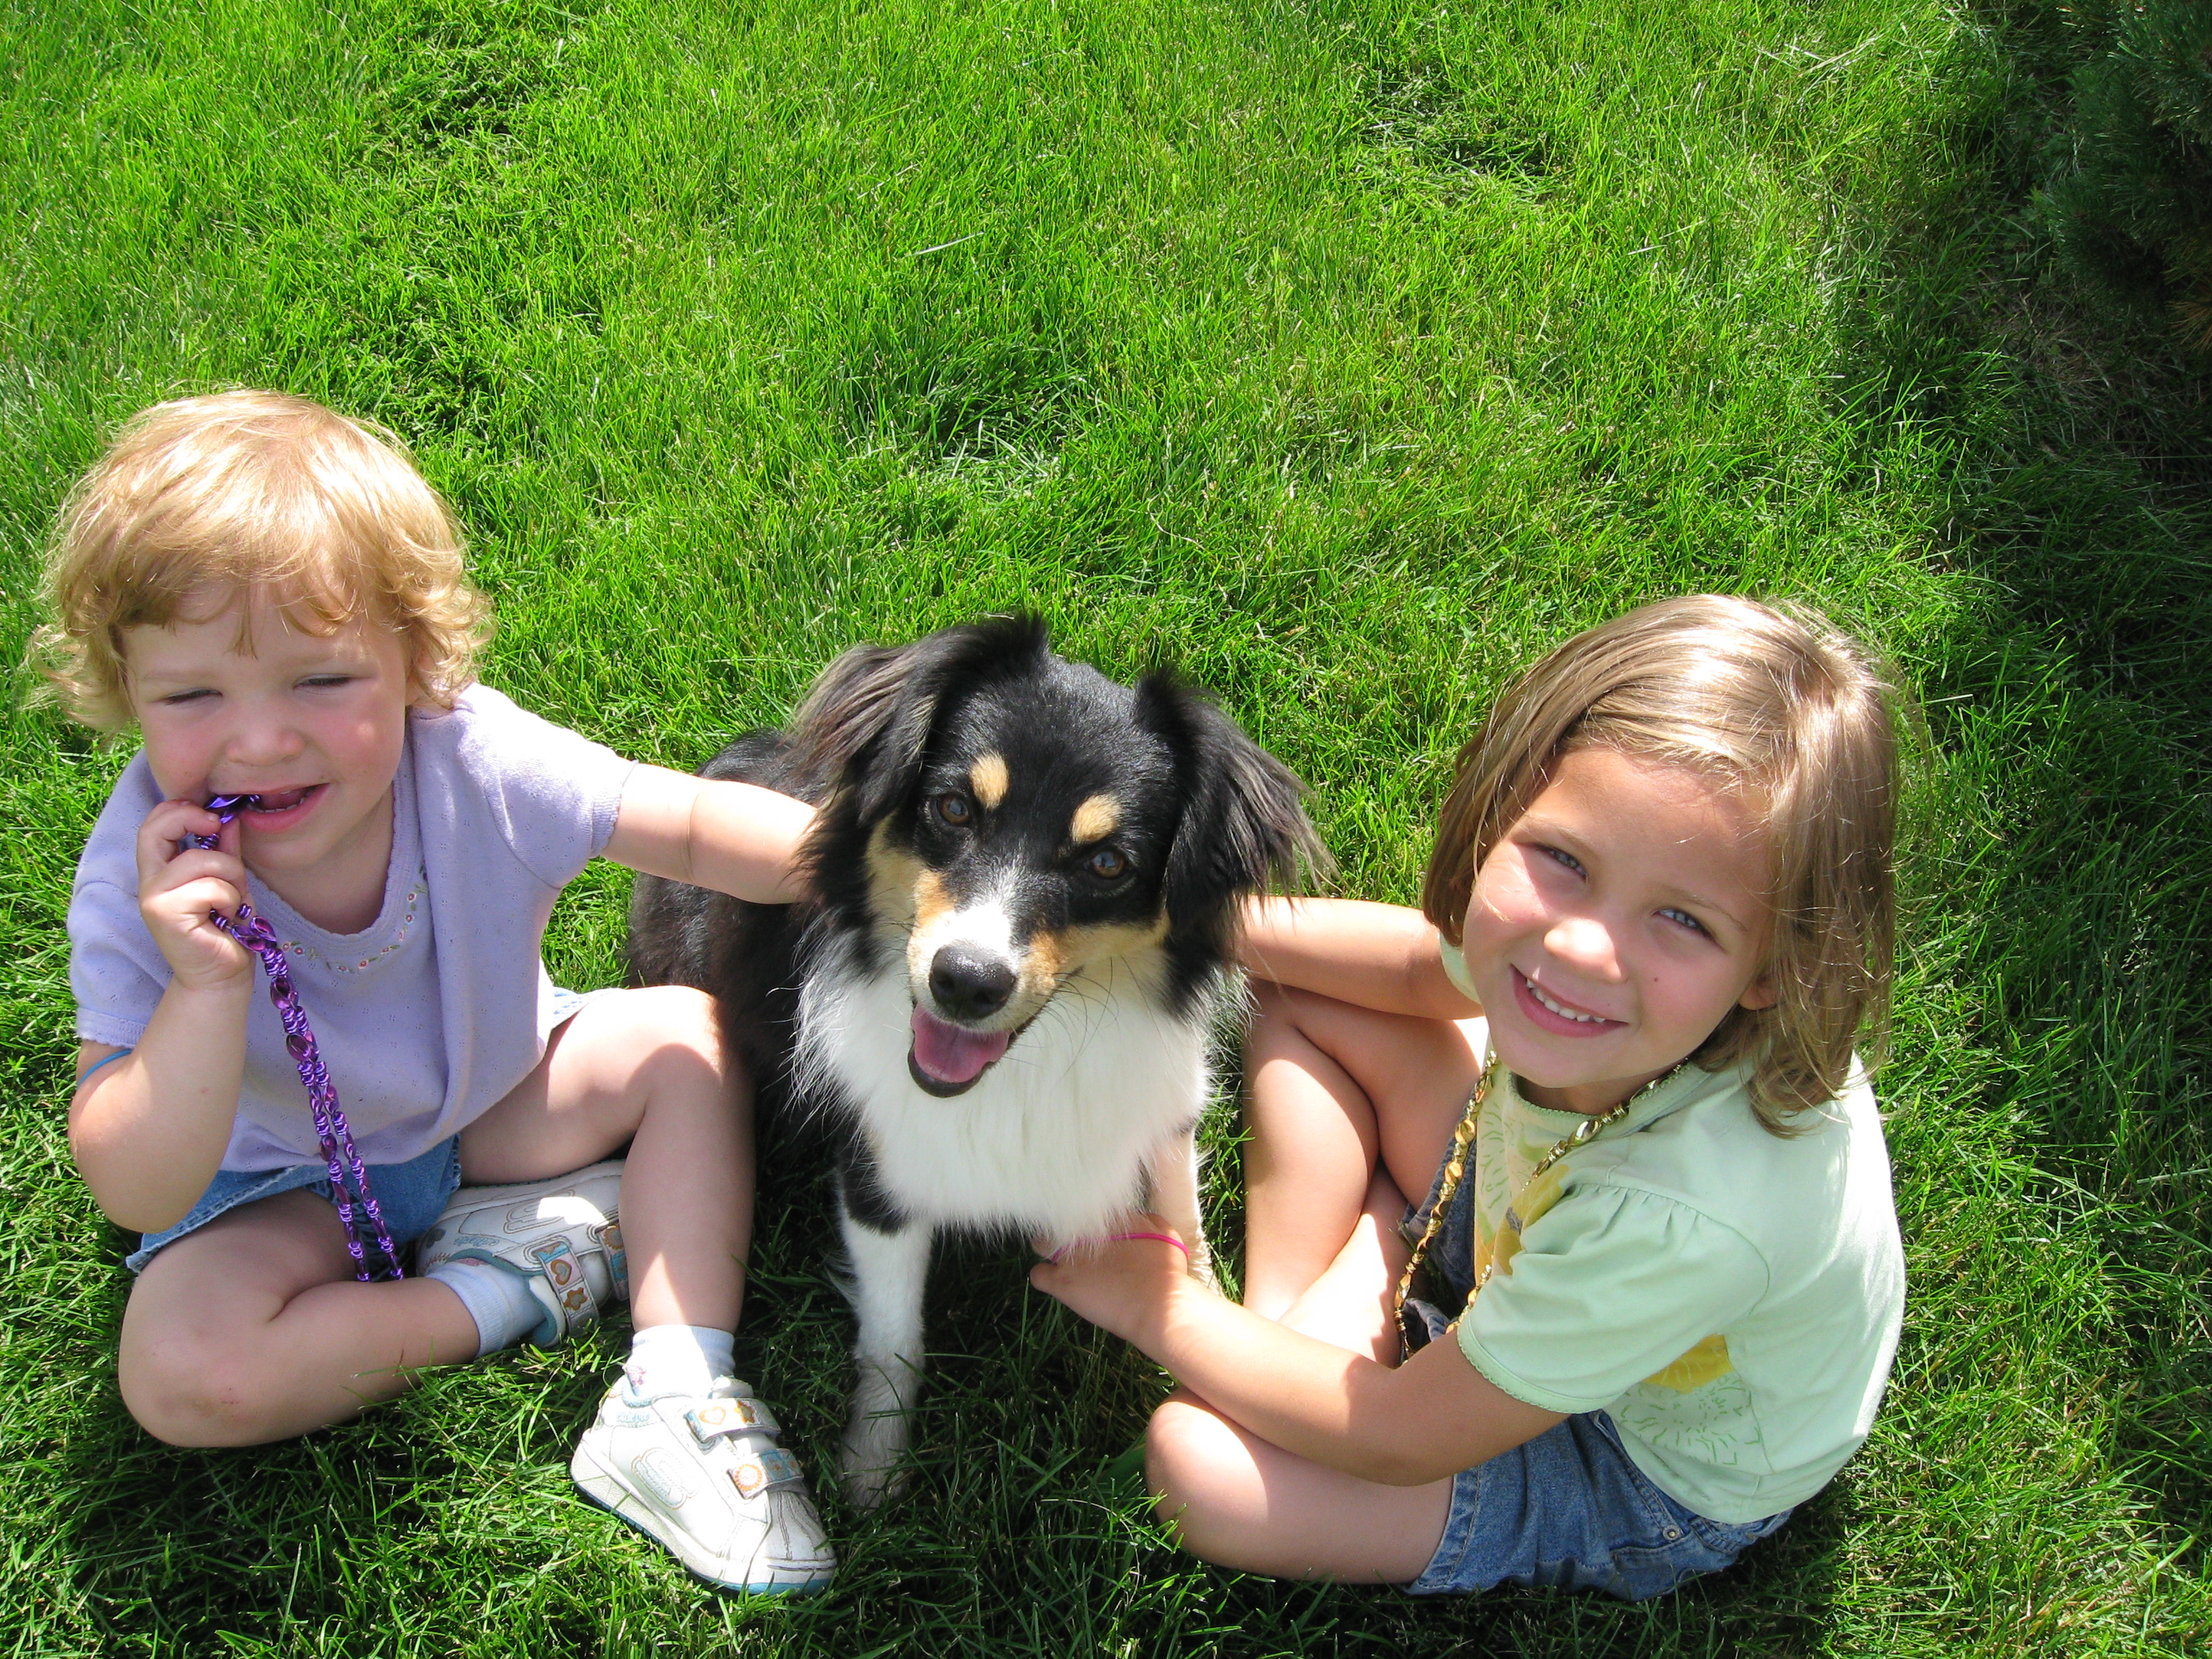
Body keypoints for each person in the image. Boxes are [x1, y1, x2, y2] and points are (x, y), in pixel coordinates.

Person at [40, 390, 832, 1596]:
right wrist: (200, 990)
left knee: (689, 1040)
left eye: (320, 681)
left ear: (416, 662)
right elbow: (131, 1183)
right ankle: (510, 1288)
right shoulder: (136, 883)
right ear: (125, 686)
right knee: (182, 1372)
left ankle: (677, 1379)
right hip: (280, 1184)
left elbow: (679, 823)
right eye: (192, 697)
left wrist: (878, 865)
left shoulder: (472, 758)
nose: (260, 742)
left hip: (492, 1095)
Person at [1032, 595, 1907, 1599]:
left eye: (1683, 921)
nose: (1580, 944)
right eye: (1563, 860)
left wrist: (1164, 1310)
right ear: (1505, 815)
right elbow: (1414, 968)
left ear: (1778, 968)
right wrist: (1181, 924)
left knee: (1200, 1469)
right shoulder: (1610, 996)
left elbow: (1402, 1437)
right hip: (1523, 1220)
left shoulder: (1684, 1215)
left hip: (1622, 1456)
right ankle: (1297, 1330)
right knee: (1299, 995)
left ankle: (1314, 1330)